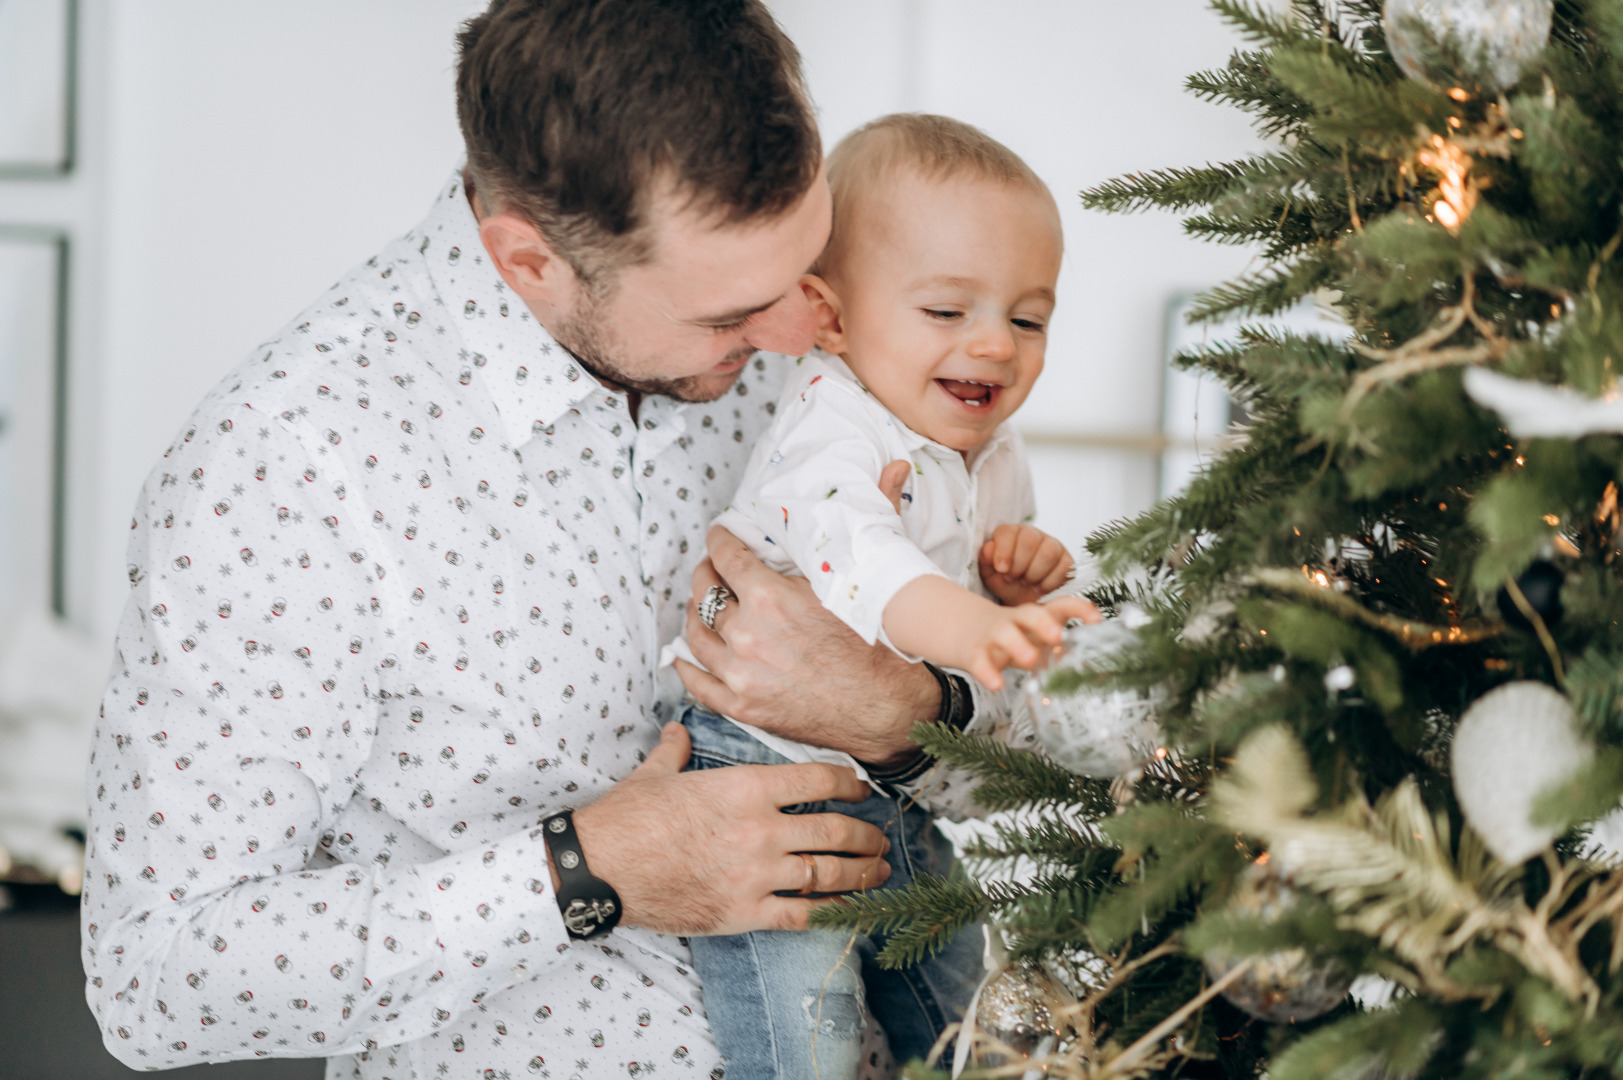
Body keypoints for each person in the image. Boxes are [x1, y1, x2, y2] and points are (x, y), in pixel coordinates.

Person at [82, 3, 993, 1076]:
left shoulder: (830, 344)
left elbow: (1059, 760)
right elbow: (155, 981)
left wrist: (910, 716)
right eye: (729, 317)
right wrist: (580, 873)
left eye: (810, 267)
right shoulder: (285, 465)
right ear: (528, 262)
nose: (804, 336)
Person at [668, 114, 1092, 1079]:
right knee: (802, 1036)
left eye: (1028, 319)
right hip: (763, 781)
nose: (994, 344)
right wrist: (987, 628)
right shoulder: (827, 422)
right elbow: (867, 568)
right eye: (947, 312)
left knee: (966, 1013)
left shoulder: (993, 449)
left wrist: (1005, 579)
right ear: (831, 317)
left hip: (895, 783)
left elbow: (962, 597)